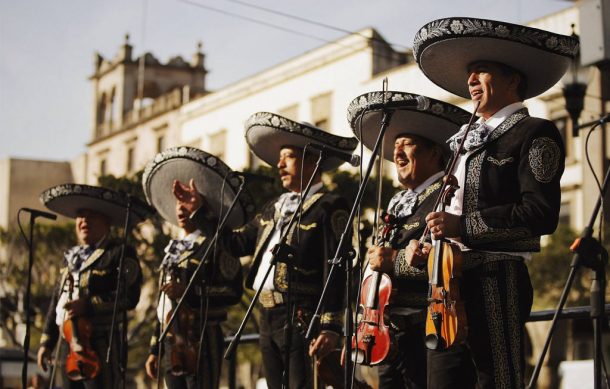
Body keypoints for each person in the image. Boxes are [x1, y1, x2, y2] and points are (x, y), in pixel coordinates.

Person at [411, 17, 578, 388]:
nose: (470, 81)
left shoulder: (534, 133)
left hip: (496, 277)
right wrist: (423, 242)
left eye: (481, 71)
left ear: (512, 80)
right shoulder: (459, 144)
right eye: (470, 73)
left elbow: (541, 215)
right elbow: (443, 211)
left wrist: (464, 227)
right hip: (444, 282)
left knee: (497, 380)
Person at [174, 112, 359, 389]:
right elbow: (237, 245)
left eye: (289, 157)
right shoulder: (274, 207)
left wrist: (330, 325)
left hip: (302, 315)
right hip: (266, 314)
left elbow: (336, 267)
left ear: (312, 160)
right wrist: (200, 211)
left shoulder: (330, 205)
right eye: (280, 158)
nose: (280, 164)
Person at [347, 91, 470, 388]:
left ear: (434, 153)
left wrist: (394, 260)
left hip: (428, 324)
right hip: (388, 330)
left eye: (407, 144)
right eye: (395, 147)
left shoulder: (448, 193)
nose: (397, 154)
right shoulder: (395, 202)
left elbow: (453, 258)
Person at [141, 147, 248, 389]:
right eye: (176, 203)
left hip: (202, 335)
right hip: (171, 340)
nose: (179, 208)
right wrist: (154, 348)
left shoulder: (215, 244)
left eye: (185, 203)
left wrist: (189, 292)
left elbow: (232, 292)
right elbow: (163, 306)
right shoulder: (172, 251)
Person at [37, 184, 148, 388]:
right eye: (80, 215)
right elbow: (56, 301)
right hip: (67, 345)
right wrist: (46, 342)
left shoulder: (119, 252)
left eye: (92, 216)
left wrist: (88, 305)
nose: (84, 221)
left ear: (107, 221)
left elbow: (129, 297)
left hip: (101, 342)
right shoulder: (69, 258)